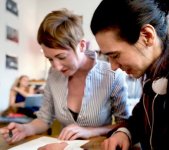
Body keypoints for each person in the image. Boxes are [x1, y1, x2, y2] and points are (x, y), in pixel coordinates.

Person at [0, 8, 131, 146]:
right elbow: (44, 119)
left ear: (81, 45)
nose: (56, 66)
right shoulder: (53, 74)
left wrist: (91, 131)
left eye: (61, 57)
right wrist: (25, 129)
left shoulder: (112, 74)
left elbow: (124, 124)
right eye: (49, 59)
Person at [90, 0, 169, 149]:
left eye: (115, 55)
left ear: (147, 36)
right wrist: (124, 132)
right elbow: (139, 118)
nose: (113, 67)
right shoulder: (154, 69)